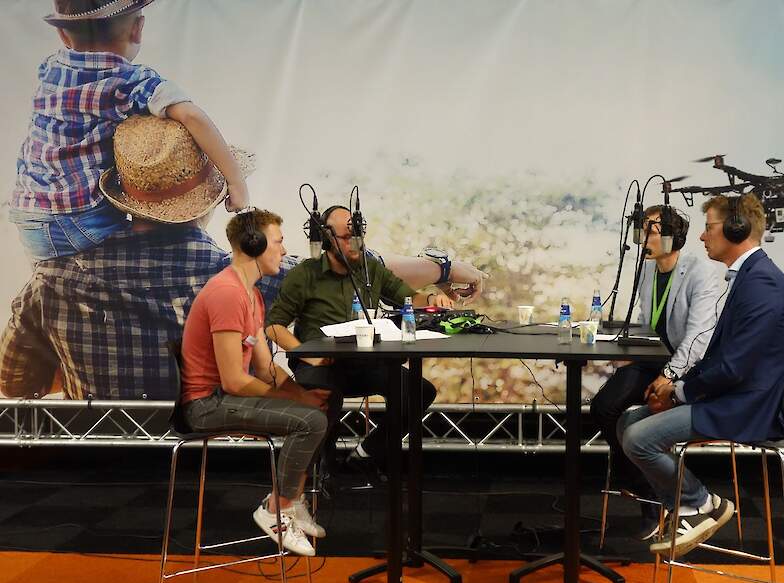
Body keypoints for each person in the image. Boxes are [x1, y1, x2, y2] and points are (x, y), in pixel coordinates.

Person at [0, 112, 489, 401]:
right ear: (208, 200)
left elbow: (15, 387)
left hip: (89, 480)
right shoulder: (226, 273)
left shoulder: (49, 280)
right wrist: (445, 267)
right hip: (208, 461)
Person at [618, 192, 784, 557]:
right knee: (626, 421)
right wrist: (677, 387)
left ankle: (700, 503)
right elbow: (725, 358)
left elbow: (733, 368)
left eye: (709, 227)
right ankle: (682, 505)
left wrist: (679, 392)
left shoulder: (761, 284)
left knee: (638, 438)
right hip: (725, 395)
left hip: (743, 406)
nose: (702, 237)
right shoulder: (748, 276)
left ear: (737, 229)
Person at [9, 0, 249, 261]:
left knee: (54, 280)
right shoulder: (129, 81)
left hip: (28, 214)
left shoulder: (50, 68)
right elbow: (191, 115)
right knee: (146, 256)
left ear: (62, 34)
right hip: (82, 218)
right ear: (138, 29)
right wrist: (235, 181)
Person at [180, 207, 330, 556]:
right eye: (278, 242)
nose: (284, 249)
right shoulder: (228, 293)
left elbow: (266, 369)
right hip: (206, 405)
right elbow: (234, 380)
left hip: (222, 397)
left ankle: (290, 500)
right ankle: (276, 509)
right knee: (311, 422)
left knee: (319, 408)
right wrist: (296, 403)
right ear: (254, 244)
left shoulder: (252, 295)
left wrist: (301, 394)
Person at [265, 205, 453, 476]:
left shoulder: (370, 269)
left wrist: (433, 298)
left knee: (419, 391)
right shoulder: (304, 275)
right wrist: (306, 355)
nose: (355, 242)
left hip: (363, 364)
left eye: (358, 234)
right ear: (327, 239)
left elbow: (408, 297)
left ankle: (368, 453)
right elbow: (274, 326)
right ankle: (316, 474)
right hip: (320, 366)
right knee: (326, 398)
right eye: (345, 236)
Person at [590, 205, 723, 539]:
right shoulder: (648, 269)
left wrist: (671, 375)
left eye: (651, 229)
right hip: (655, 359)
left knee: (637, 422)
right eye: (642, 228)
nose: (643, 236)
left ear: (674, 236)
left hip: (689, 367)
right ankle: (647, 491)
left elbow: (697, 338)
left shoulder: (702, 272)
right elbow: (646, 321)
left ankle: (662, 495)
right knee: (604, 406)